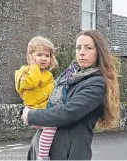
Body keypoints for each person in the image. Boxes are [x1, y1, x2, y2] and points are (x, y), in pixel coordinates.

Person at [21, 30, 120, 160]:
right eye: (78, 48)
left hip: (68, 154)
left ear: (99, 52)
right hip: (45, 151)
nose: (82, 52)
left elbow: (67, 113)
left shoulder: (96, 84)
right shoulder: (67, 77)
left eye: (88, 48)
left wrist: (31, 115)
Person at [15, 36, 57, 161]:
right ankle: (42, 156)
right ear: (29, 56)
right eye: (39, 55)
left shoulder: (48, 74)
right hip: (34, 110)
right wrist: (33, 66)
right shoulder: (24, 72)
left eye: (47, 55)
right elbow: (31, 83)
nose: (44, 58)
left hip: (44, 108)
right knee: (50, 127)